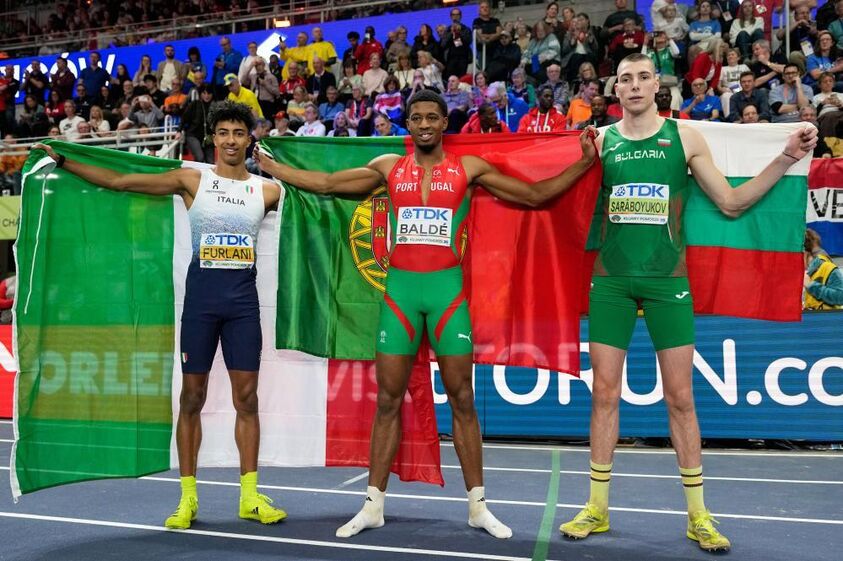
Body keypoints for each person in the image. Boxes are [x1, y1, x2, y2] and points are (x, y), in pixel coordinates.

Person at [253, 89, 597, 540]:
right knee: (389, 401)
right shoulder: (388, 168)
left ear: (443, 123)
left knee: (463, 400)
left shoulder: (468, 169)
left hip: (447, 298)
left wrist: (585, 162)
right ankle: (373, 504)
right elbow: (329, 184)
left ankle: (478, 506)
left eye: (433, 117)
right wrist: (275, 169)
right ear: (408, 125)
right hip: (399, 298)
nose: (425, 124)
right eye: (416, 118)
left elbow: (535, 196)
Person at [558, 52, 816, 552]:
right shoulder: (600, 142)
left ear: (657, 85)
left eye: (642, 77)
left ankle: (699, 515)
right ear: (615, 90)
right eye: (625, 79)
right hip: (609, 283)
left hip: (667, 284)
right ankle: (597, 509)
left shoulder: (683, 136)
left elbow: (732, 202)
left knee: (680, 398)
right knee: (604, 396)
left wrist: (786, 156)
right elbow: (566, 205)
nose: (634, 86)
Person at [33, 100, 287, 530]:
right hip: (201, 307)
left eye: (238, 133)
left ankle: (249, 496)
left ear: (250, 139)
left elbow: (323, 193)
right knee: (192, 399)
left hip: (243, 307)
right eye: (222, 132)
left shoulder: (268, 190)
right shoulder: (192, 179)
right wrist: (66, 160)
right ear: (213, 138)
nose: (230, 140)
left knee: (247, 400)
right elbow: (119, 180)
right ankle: (188, 498)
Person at [804, 228, 843, 309]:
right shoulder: (809, 273)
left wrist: (811, 286)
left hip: (829, 320)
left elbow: (840, 297)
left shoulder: (827, 267)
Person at [180, 85, 216, 163]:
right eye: (204, 93)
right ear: (200, 94)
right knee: (200, 157)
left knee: (211, 162)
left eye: (209, 93)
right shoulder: (195, 104)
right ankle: (197, 173)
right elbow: (184, 118)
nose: (206, 96)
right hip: (193, 134)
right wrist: (179, 131)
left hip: (208, 137)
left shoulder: (215, 106)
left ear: (212, 94)